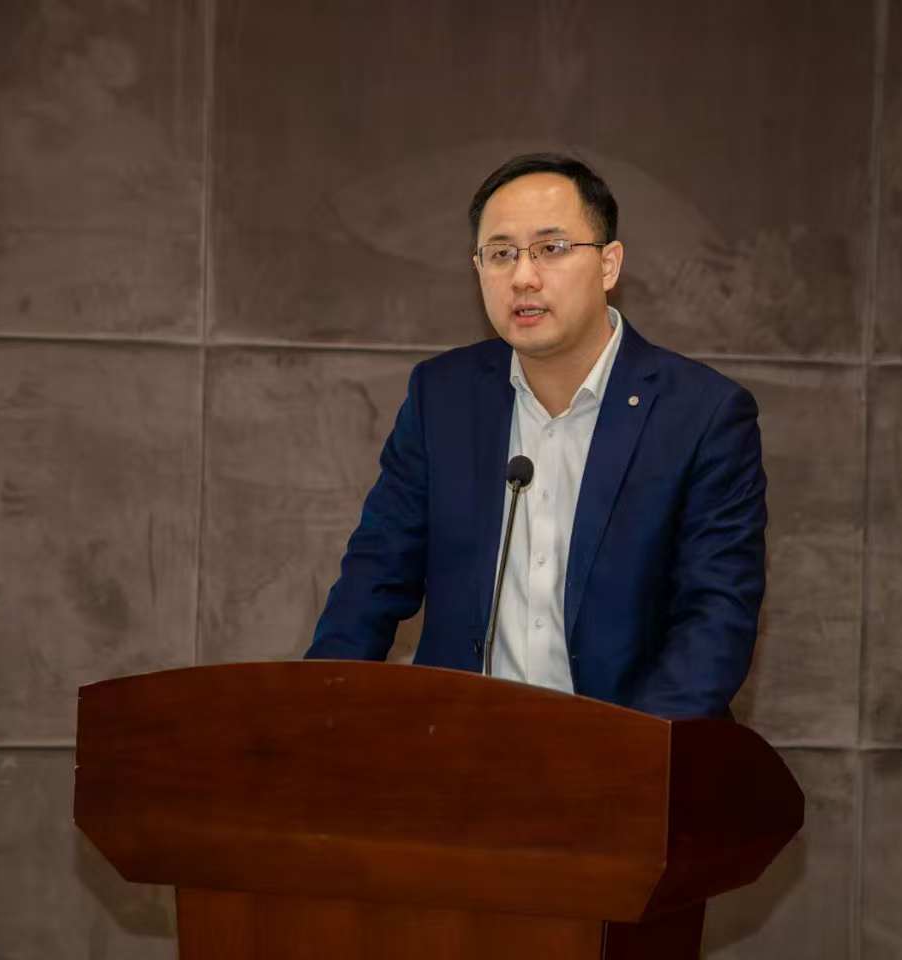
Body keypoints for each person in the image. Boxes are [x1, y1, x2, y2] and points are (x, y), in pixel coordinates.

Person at [306, 153, 766, 718]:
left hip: (628, 753)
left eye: (552, 248)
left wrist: (627, 754)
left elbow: (714, 622)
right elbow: (371, 582)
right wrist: (316, 716)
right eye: (501, 254)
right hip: (460, 750)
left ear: (609, 265)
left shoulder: (702, 415)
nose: (523, 277)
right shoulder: (443, 398)